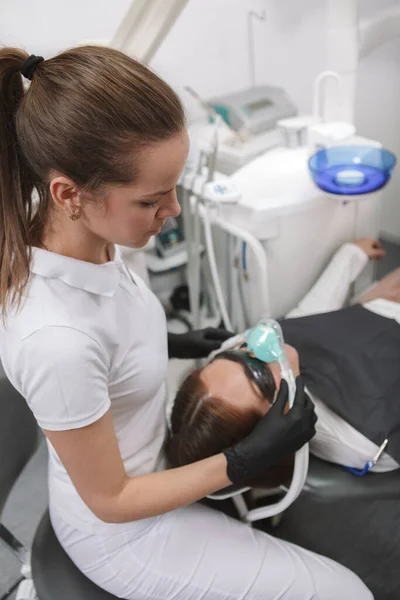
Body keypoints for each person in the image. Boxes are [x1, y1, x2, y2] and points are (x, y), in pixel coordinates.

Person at [0, 45, 372, 600]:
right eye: (152, 200)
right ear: (69, 195)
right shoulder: (54, 341)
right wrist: (244, 459)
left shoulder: (90, 236)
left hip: (145, 463)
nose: (172, 211)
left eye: (173, 186)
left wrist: (173, 342)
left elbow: (109, 333)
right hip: (126, 531)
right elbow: (112, 500)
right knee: (349, 594)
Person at [167, 238, 400, 479]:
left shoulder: (275, 365)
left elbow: (302, 324)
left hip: (373, 319)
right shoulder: (361, 442)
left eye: (235, 352)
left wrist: (350, 256)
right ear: (279, 428)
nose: (257, 347)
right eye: (257, 372)